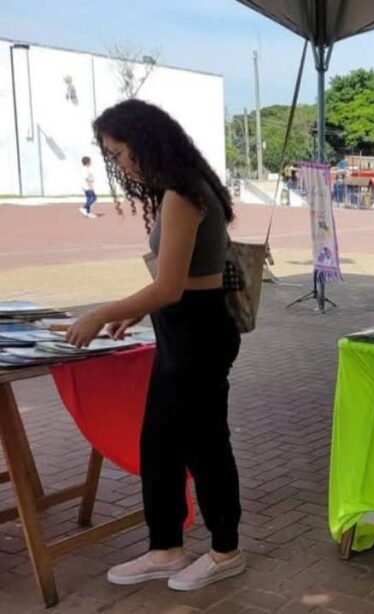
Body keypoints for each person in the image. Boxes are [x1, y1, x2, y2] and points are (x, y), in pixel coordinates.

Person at [66, 99, 246, 591]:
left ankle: (225, 549)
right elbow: (185, 278)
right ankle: (165, 547)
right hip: (184, 327)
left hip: (196, 332)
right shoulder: (182, 189)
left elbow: (172, 286)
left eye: (121, 153)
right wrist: (140, 310)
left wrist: (104, 312)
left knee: (204, 445)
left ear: (146, 142)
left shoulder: (183, 195)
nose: (121, 165)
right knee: (162, 443)